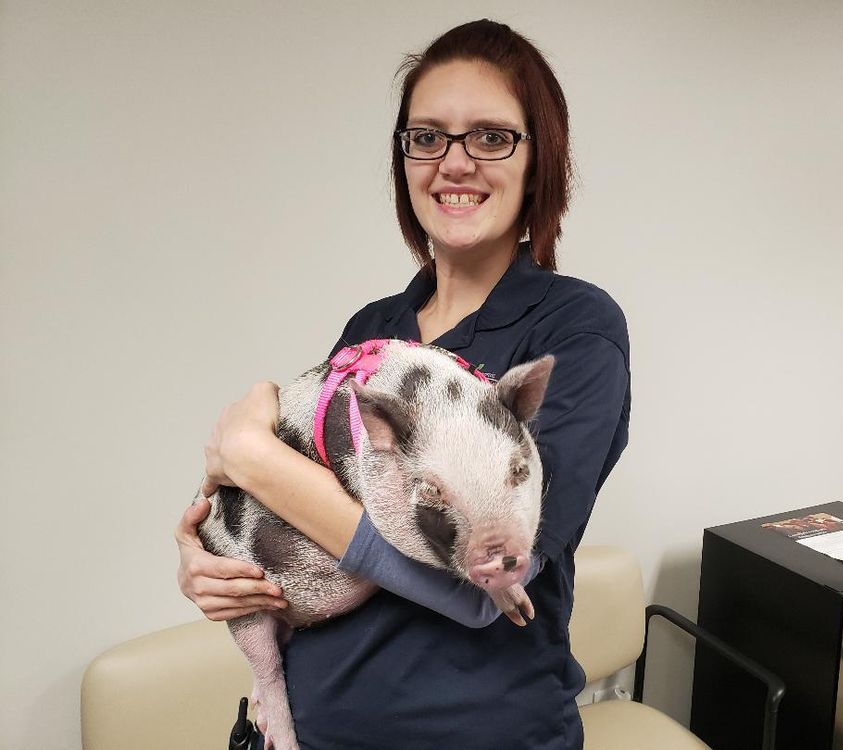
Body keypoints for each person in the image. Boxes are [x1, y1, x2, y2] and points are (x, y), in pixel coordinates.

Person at [174, 19, 630, 750]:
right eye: (427, 138)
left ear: (540, 160)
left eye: (491, 137)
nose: (455, 163)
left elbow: (490, 587)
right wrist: (213, 568)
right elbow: (301, 522)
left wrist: (251, 456)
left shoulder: (575, 329)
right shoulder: (374, 331)